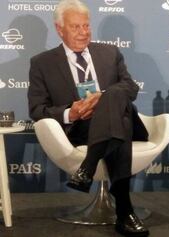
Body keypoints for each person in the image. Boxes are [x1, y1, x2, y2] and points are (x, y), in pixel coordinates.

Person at [28, 0, 149, 236]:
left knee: (114, 95)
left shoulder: (109, 52)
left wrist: (103, 97)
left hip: (119, 121)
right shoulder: (42, 63)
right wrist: (69, 112)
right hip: (81, 128)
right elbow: (36, 109)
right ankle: (124, 210)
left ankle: (87, 166)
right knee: (119, 125)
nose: (84, 33)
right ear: (59, 29)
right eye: (76, 27)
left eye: (86, 26)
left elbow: (131, 88)